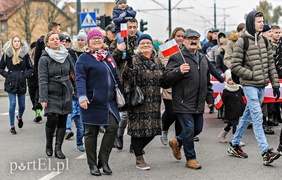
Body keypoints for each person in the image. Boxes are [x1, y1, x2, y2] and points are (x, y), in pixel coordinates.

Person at [227, 11, 281, 166]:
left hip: (262, 86)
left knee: (247, 115)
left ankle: (234, 145)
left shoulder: (264, 40)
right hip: (249, 85)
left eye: (262, 21)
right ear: (251, 23)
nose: (261, 24)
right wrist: (250, 74)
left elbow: (271, 64)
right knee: (257, 117)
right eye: (258, 21)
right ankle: (265, 152)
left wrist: (275, 84)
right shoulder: (241, 41)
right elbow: (235, 65)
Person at [164, 29, 214, 169]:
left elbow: (207, 81)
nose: (193, 41)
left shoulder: (203, 58)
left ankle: (177, 141)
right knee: (189, 128)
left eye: (195, 39)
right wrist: (178, 71)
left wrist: (209, 98)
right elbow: (165, 79)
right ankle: (190, 159)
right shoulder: (177, 57)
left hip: (198, 101)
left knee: (197, 129)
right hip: (182, 101)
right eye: (190, 38)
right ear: (184, 41)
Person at [75, 29, 121, 176]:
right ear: (88, 42)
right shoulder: (83, 58)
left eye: (99, 38)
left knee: (113, 127)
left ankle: (104, 160)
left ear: (103, 41)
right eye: (93, 38)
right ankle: (92, 165)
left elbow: (116, 77)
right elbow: (80, 78)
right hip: (91, 101)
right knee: (91, 133)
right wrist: (82, 96)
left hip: (109, 102)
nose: (96, 41)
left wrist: (121, 94)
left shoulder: (108, 56)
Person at [122, 34, 164, 170]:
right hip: (138, 101)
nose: (145, 45)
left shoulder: (157, 61)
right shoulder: (133, 60)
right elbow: (126, 78)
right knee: (138, 132)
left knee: (152, 131)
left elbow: (164, 78)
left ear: (152, 45)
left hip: (154, 101)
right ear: (138, 46)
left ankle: (137, 149)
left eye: (148, 43)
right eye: (142, 43)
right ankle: (139, 158)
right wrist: (128, 65)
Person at [38, 31, 73, 159]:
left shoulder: (66, 54)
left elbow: (74, 72)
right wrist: (43, 98)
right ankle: (49, 144)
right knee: (52, 119)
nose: (56, 41)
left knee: (63, 120)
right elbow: (42, 79)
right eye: (52, 39)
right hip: (51, 92)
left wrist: (77, 90)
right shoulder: (44, 59)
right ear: (47, 43)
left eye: (57, 39)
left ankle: (58, 148)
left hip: (65, 91)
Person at [110, 18, 141, 151]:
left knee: (136, 113)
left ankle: (135, 143)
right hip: (122, 80)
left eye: (134, 27)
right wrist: (119, 51)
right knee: (124, 114)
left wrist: (134, 57)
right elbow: (110, 59)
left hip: (138, 80)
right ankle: (119, 135)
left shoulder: (141, 41)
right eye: (130, 27)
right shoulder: (119, 41)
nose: (132, 29)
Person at [0, 35, 33, 134]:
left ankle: (19, 116)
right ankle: (12, 126)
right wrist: (7, 75)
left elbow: (31, 68)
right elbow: (1, 68)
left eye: (18, 41)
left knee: (22, 106)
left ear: (21, 43)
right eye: (15, 41)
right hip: (10, 82)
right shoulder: (7, 54)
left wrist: (24, 75)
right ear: (12, 42)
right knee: (12, 104)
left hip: (21, 82)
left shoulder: (25, 55)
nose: (17, 43)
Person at [159, 27, 184, 146]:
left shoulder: (187, 49)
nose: (180, 38)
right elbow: (165, 63)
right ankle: (164, 130)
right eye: (178, 36)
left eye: (183, 36)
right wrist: (180, 68)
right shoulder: (167, 48)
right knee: (172, 112)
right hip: (169, 85)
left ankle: (178, 141)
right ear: (174, 36)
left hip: (183, 87)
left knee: (180, 114)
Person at [33, 21, 61, 123]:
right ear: (53, 29)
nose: (59, 31)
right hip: (44, 71)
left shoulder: (60, 41)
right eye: (58, 29)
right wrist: (37, 72)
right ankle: (38, 112)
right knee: (40, 92)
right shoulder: (41, 41)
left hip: (57, 75)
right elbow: (37, 58)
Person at [218, 69, 245, 145]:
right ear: (226, 81)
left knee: (230, 124)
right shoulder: (226, 91)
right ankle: (236, 140)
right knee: (235, 124)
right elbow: (224, 101)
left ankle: (222, 135)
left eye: (233, 79)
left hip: (238, 109)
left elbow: (242, 96)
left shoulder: (239, 88)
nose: (232, 81)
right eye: (229, 80)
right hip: (231, 111)